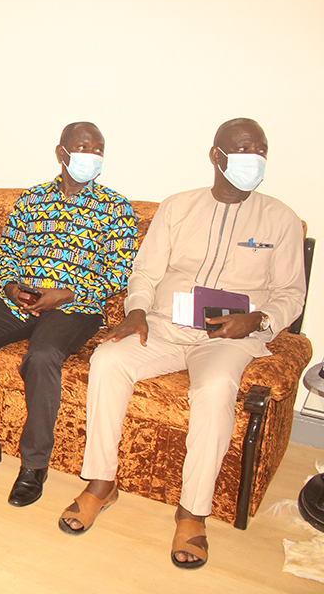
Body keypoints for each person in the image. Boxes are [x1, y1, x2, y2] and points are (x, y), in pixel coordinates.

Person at [60, 118, 306, 570]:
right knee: (108, 358)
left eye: (261, 150)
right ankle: (100, 483)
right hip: (167, 325)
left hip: (230, 337)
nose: (255, 159)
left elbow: (292, 292)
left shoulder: (282, 219)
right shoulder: (178, 207)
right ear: (217, 156)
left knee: (214, 390)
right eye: (244, 149)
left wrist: (257, 318)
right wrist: (136, 310)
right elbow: (147, 273)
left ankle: (193, 512)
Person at [0, 122, 137, 509]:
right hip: (22, 300)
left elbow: (120, 271)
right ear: (62, 153)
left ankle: (33, 465)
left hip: (76, 306)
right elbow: (8, 254)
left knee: (43, 356)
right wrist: (12, 287)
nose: (91, 156)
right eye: (83, 148)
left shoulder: (116, 208)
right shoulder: (32, 200)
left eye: (98, 150)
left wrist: (69, 293)